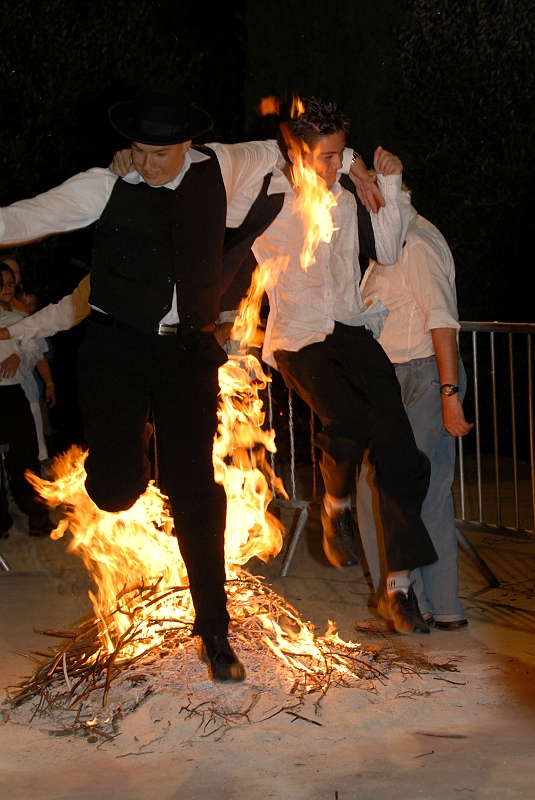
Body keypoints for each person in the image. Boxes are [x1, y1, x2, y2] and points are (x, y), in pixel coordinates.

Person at [249, 98, 438, 635]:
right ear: (298, 154)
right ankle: (335, 507)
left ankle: (398, 588)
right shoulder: (270, 195)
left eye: (339, 155)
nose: (335, 167)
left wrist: (388, 183)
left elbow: (390, 250)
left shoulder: (348, 195)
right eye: (326, 157)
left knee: (401, 452)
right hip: (299, 337)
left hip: (350, 328)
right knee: (348, 421)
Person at [357, 209, 473, 631]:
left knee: (383, 487)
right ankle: (440, 607)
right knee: (429, 493)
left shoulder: (416, 243)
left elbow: (442, 320)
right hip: (411, 376)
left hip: (421, 376)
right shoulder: (394, 243)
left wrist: (449, 394)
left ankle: (402, 607)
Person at [0, 264, 55, 538]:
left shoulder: (21, 319)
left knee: (25, 456)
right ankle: (1, 521)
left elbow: (35, 352)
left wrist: (18, 357)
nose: (7, 288)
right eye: (1, 283)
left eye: (11, 282)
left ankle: (38, 516)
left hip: (12, 395)